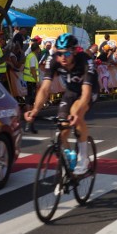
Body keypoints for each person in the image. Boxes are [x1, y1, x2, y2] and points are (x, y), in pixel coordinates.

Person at [24, 33, 97, 176]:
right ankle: (69, 160)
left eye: (67, 53)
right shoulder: (53, 60)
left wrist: (76, 115)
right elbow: (44, 89)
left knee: (76, 113)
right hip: (71, 91)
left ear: (75, 52)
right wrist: (35, 110)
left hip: (88, 90)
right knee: (62, 128)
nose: (63, 57)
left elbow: (86, 93)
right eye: (60, 53)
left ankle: (83, 158)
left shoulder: (85, 61)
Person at [22, 42, 41, 133]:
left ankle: (29, 122)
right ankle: (30, 121)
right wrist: (37, 81)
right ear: (36, 49)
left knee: (28, 100)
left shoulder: (30, 55)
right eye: (38, 48)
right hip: (31, 81)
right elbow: (33, 69)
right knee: (31, 102)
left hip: (28, 81)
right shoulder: (33, 57)